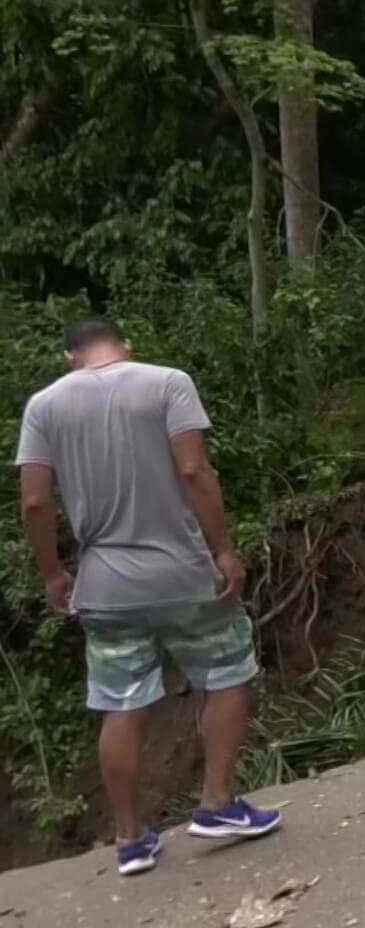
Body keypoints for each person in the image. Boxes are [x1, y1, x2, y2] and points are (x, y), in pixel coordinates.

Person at [14, 320, 282, 876]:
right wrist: (224, 550)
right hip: (182, 574)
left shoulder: (44, 406)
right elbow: (192, 468)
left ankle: (132, 839)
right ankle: (218, 804)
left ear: (71, 357)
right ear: (127, 344)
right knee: (227, 673)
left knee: (120, 702)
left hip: (105, 583)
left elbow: (35, 504)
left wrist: (52, 575)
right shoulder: (168, 383)